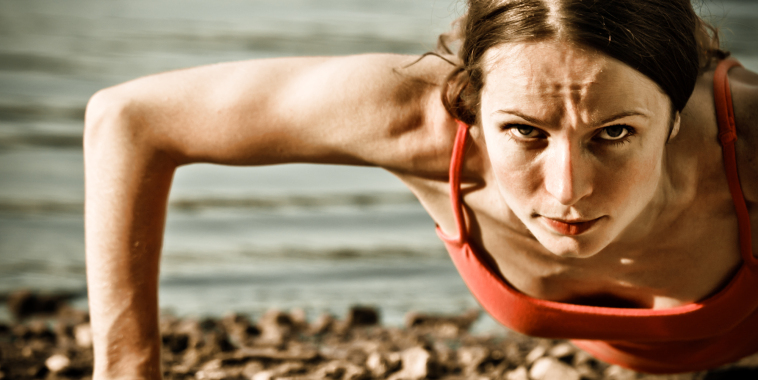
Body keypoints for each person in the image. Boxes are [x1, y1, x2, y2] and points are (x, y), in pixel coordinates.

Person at [83, 0, 758, 378]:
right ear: (468, 104)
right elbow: (130, 120)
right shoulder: (418, 125)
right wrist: (126, 367)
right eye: (524, 131)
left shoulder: (745, 143)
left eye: (612, 134)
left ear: (677, 112)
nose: (569, 189)